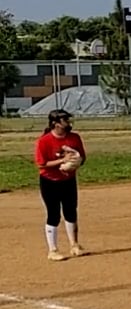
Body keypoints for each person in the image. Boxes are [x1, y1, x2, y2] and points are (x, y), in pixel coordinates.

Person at [33, 109, 87, 261]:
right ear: (55, 124)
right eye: (65, 120)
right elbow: (42, 164)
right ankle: (53, 250)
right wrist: (62, 161)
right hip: (50, 181)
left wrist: (75, 163)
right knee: (54, 214)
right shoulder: (44, 141)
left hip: (68, 180)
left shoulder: (74, 138)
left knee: (71, 212)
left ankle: (74, 245)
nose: (68, 123)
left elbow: (82, 157)